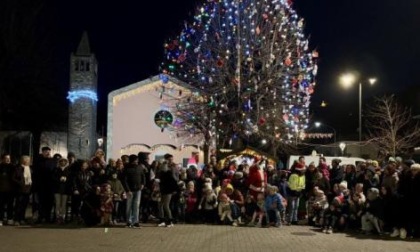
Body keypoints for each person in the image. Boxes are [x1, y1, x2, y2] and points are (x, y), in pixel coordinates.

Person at [122, 154, 146, 228]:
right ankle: (129, 221)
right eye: (135, 160)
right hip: (130, 190)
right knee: (129, 206)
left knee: (136, 206)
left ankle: (135, 221)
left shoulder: (139, 167)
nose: (136, 161)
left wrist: (143, 184)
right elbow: (124, 180)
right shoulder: (127, 168)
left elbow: (143, 176)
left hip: (138, 189)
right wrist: (128, 190)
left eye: (137, 160)